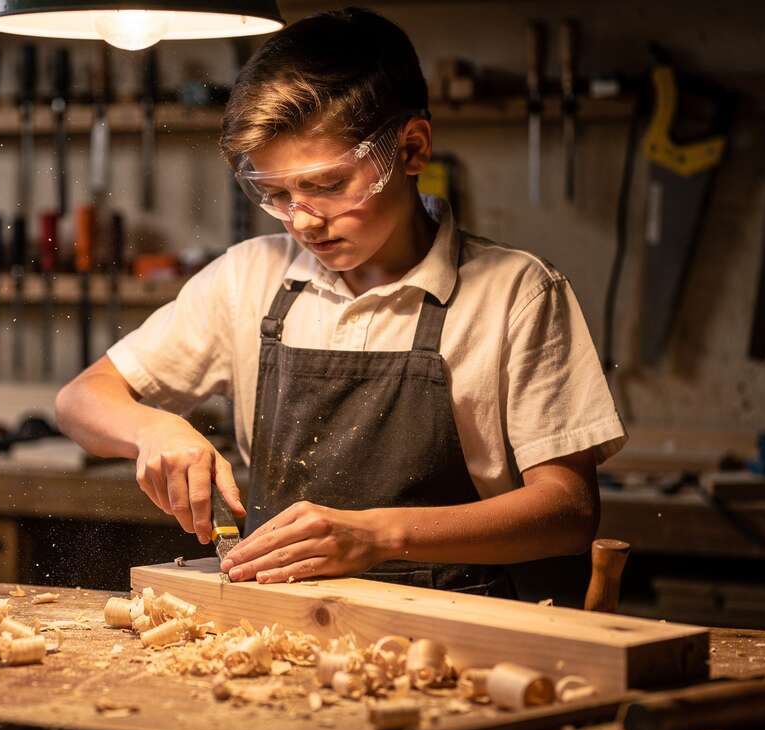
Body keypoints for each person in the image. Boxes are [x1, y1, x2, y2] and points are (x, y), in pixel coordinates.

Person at [56, 7, 626, 595]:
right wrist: (153, 430)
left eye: (327, 186)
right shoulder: (249, 278)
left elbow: (568, 510)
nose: (302, 220)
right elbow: (79, 401)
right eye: (276, 193)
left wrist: (379, 536)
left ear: (411, 149)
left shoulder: (517, 293)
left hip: (466, 628)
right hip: (282, 629)